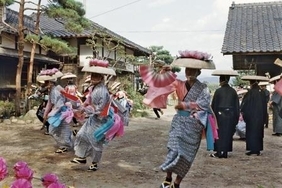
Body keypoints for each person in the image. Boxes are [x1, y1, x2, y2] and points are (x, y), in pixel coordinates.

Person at [141, 50, 216, 188]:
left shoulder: (203, 88)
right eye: (188, 69)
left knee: (186, 156)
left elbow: (204, 105)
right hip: (179, 122)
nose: (189, 72)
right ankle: (168, 177)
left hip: (194, 125)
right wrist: (166, 73)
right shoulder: (179, 84)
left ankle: (177, 182)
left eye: (193, 70)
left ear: (198, 72)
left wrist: (185, 104)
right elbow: (166, 83)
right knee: (173, 149)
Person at [70, 59, 117, 171]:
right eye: (92, 75)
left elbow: (99, 108)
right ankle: (81, 157)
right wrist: (83, 108)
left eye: (96, 76)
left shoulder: (102, 90)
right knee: (81, 134)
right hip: (93, 117)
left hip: (101, 118)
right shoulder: (93, 88)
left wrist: (86, 110)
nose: (93, 77)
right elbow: (89, 99)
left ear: (101, 78)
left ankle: (95, 163)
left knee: (95, 140)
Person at [39, 68, 74, 154]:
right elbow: (49, 103)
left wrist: (50, 113)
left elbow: (59, 105)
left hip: (62, 112)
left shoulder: (56, 91)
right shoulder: (51, 91)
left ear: (51, 82)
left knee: (59, 129)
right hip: (58, 113)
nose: (45, 84)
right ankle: (66, 144)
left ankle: (66, 145)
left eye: (46, 82)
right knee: (54, 130)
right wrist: (46, 113)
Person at [210, 70, 240, 158]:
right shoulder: (233, 91)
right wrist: (236, 118)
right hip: (230, 115)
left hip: (219, 115)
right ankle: (225, 152)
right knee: (228, 133)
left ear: (220, 80)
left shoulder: (218, 91)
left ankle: (219, 152)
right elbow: (237, 106)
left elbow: (214, 105)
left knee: (219, 133)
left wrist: (213, 117)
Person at [240, 75, 268, 156]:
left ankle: (252, 149)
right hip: (260, 116)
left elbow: (244, 105)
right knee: (258, 132)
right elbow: (264, 105)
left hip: (251, 116)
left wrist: (244, 112)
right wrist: (264, 117)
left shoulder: (250, 92)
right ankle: (258, 149)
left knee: (252, 133)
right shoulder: (262, 92)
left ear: (251, 83)